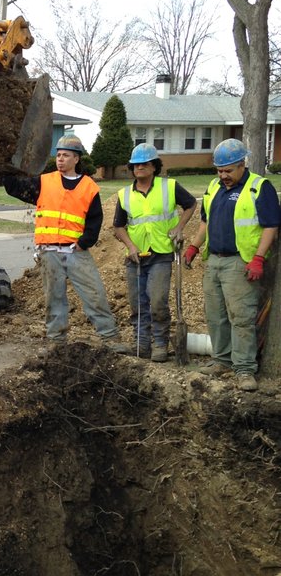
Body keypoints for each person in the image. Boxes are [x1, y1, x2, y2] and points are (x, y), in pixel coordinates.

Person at [4, 134, 128, 351]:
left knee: (94, 293)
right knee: (54, 298)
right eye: (59, 155)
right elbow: (15, 187)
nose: (60, 159)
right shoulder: (44, 181)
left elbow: (95, 219)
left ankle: (110, 337)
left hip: (75, 251)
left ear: (76, 159)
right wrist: (6, 167)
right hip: (49, 252)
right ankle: (56, 341)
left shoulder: (88, 187)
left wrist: (84, 242)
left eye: (66, 155)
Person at [183, 138, 280, 392]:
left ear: (242, 165)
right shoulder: (214, 187)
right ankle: (222, 360)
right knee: (215, 315)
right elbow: (205, 222)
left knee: (242, 317)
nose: (222, 175)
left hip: (241, 262)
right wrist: (194, 246)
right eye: (219, 170)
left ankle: (245, 368)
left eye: (228, 170)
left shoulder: (259, 187)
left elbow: (271, 225)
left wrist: (259, 258)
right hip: (214, 260)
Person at [113, 143, 197, 361]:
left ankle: (160, 343)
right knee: (137, 303)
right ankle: (142, 343)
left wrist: (179, 227)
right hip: (135, 257)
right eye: (135, 165)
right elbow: (119, 226)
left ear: (154, 166)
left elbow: (190, 204)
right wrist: (130, 246)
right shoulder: (124, 194)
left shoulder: (169, 187)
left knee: (158, 301)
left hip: (161, 253)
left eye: (144, 164)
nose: (139, 168)